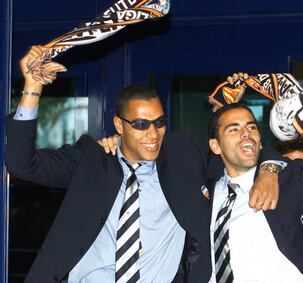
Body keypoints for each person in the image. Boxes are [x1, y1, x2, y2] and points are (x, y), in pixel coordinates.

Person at [5, 45, 282, 283]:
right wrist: (32, 88)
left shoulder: (182, 157)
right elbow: (21, 164)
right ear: (118, 125)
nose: (153, 134)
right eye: (140, 124)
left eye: (160, 123)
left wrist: (270, 169)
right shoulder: (92, 160)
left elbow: (241, 153)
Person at [206, 102, 303, 283]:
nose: (246, 133)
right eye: (234, 129)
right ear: (215, 146)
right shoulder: (205, 190)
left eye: (252, 127)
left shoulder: (292, 180)